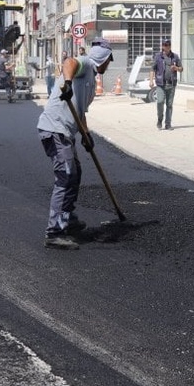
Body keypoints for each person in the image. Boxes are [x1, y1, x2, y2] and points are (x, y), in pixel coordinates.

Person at [37, 38, 114, 250]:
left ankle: (67, 218)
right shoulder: (86, 64)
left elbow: (80, 111)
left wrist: (86, 134)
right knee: (66, 174)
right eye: (109, 60)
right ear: (103, 59)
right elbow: (69, 62)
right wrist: (68, 83)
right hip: (54, 128)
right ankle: (54, 232)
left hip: (66, 131)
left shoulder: (90, 80)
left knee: (75, 173)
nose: (109, 64)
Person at [150, 38, 183, 130]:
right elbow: (153, 69)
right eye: (164, 45)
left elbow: (181, 69)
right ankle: (160, 119)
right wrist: (151, 80)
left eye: (168, 45)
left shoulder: (175, 56)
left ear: (170, 46)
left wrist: (176, 68)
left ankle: (168, 124)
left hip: (171, 84)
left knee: (169, 105)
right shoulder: (158, 56)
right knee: (160, 102)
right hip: (161, 84)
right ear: (162, 46)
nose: (166, 47)